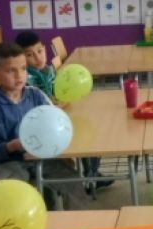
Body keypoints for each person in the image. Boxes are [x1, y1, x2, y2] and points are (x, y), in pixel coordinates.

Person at [0, 42, 88, 209]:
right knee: (13, 196)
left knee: (72, 181)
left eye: (23, 68)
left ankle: (80, 225)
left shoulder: (36, 95)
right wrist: (13, 145)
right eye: (11, 70)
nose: (19, 75)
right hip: (12, 162)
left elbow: (56, 120)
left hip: (43, 156)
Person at [14, 31, 114, 194]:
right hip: (45, 130)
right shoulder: (26, 80)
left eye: (39, 51)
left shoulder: (49, 70)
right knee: (85, 138)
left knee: (92, 134)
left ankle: (92, 175)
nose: (38, 58)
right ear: (21, 58)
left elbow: (58, 92)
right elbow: (34, 108)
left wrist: (61, 101)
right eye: (29, 55)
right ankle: (90, 177)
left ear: (45, 49)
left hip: (58, 118)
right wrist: (53, 105)